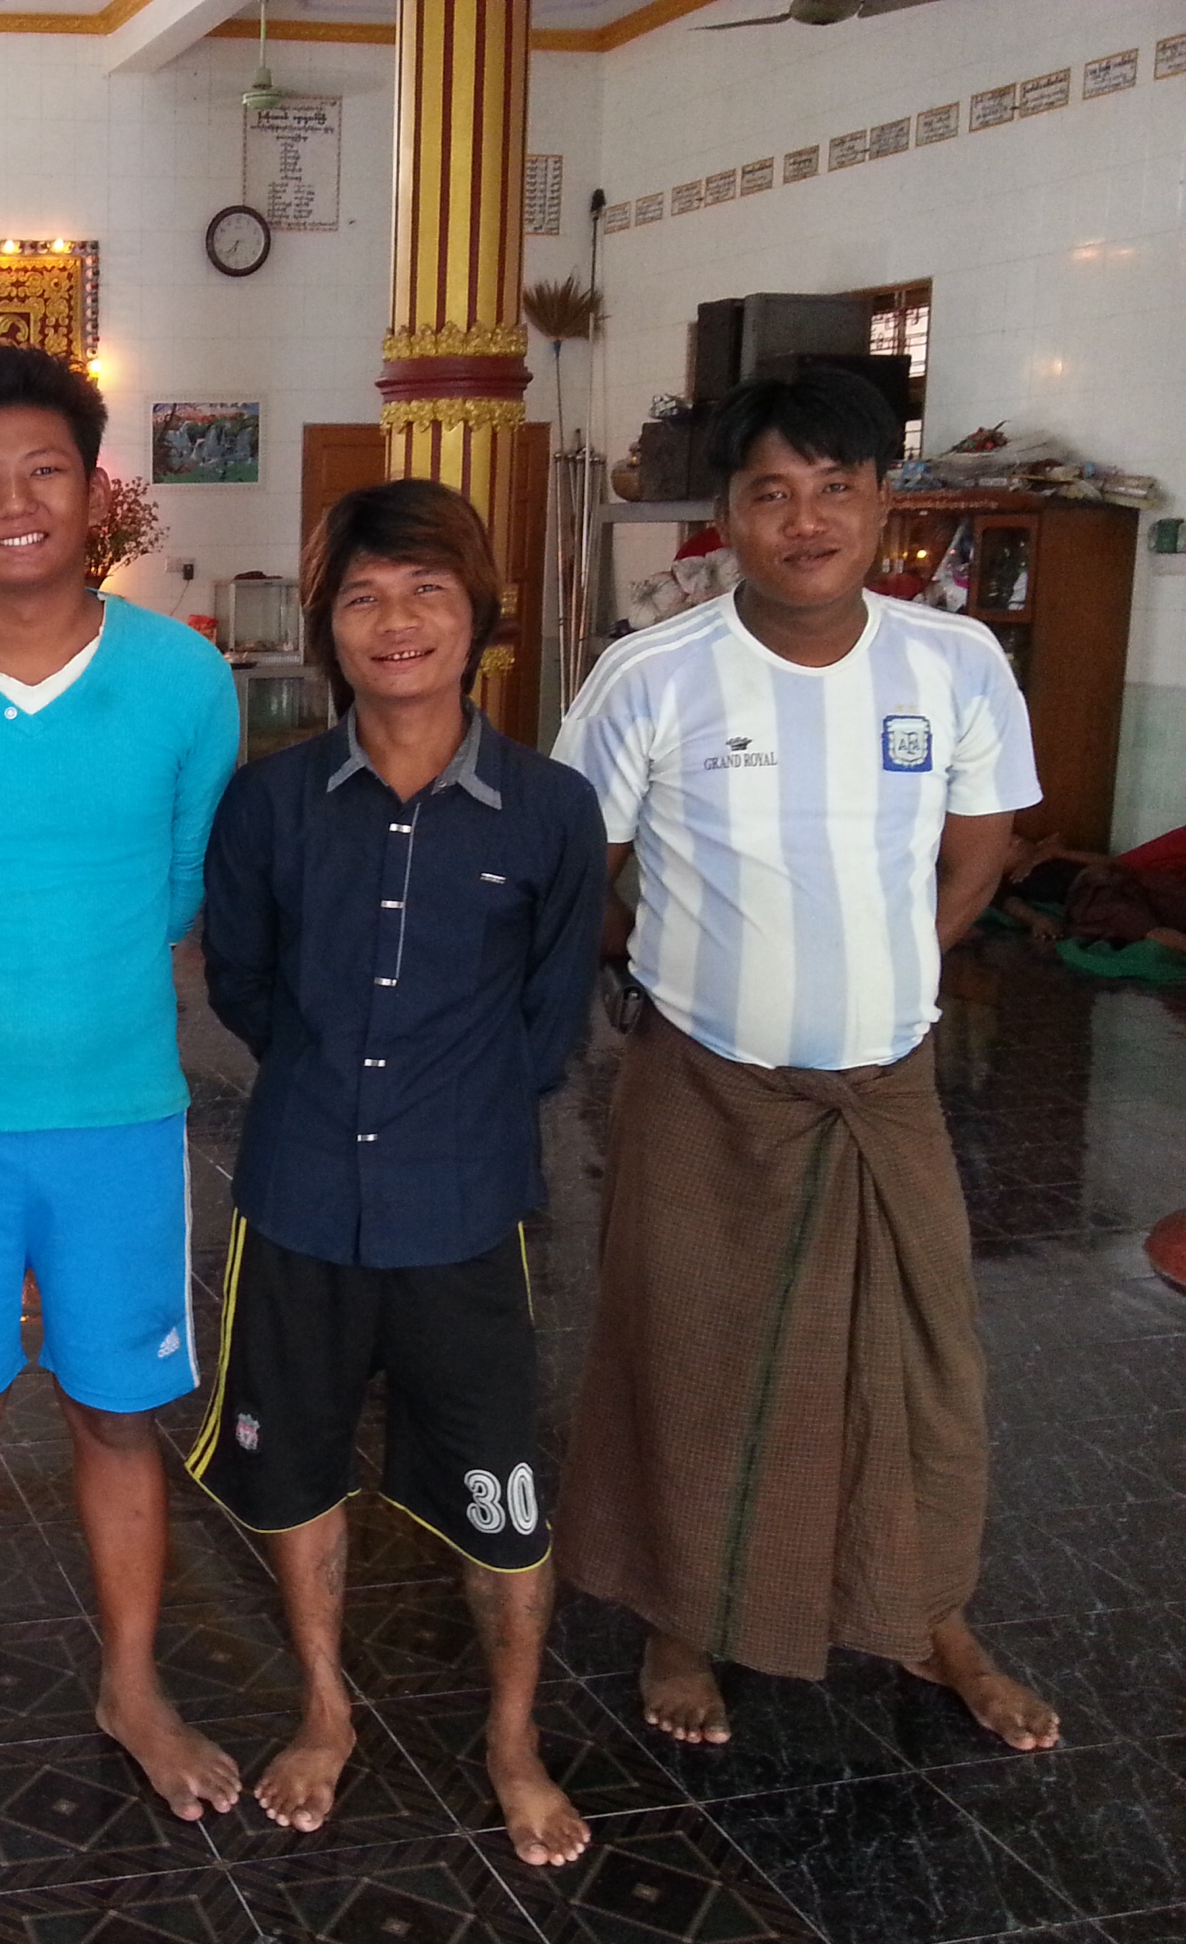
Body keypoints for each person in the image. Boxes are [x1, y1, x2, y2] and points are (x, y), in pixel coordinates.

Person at [552, 367, 1060, 1753]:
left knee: (919, 1366)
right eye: (771, 493)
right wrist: (674, 964)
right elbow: (577, 871)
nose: (806, 521)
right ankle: (681, 1619)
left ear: (885, 506)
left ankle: (929, 1614)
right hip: (704, 1087)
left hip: (886, 1088)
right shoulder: (652, 674)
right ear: (727, 517)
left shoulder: (955, 663)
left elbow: (981, 853)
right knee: (691, 1355)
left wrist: (895, 963)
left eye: (836, 489)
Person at [0, 345, 244, 1826]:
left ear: (95, 492)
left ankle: (131, 1683)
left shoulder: (183, 678)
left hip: (120, 1115)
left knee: (118, 1413)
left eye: (45, 471)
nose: (15, 501)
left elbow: (183, 881)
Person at [192, 479, 603, 1865]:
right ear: (327, 628)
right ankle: (325, 1709)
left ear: (478, 614)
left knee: (504, 1492)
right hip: (300, 1197)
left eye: (426, 589)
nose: (396, 620)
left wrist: (444, 1113)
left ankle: (512, 1741)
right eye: (363, 595)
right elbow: (245, 987)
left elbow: (550, 1023)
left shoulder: (550, 811)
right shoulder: (271, 804)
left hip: (463, 1208)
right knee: (297, 1467)